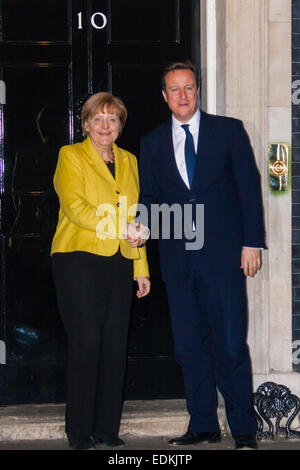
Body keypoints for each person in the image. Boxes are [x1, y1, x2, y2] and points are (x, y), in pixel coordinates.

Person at [138, 61, 265, 450]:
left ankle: (244, 429)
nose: (182, 96)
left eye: (188, 88)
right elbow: (150, 197)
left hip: (225, 259)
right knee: (189, 348)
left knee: (229, 345)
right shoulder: (153, 141)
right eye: (174, 90)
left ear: (198, 90)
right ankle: (204, 425)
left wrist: (252, 243)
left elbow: (248, 187)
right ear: (164, 96)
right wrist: (142, 227)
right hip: (178, 262)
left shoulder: (228, 131)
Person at [51, 92, 150, 450]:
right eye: (98, 119)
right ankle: (79, 432)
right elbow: (75, 207)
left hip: (120, 259)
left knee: (113, 347)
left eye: (112, 119)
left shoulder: (129, 160)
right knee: (86, 343)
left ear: (121, 125)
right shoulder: (70, 155)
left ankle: (107, 429)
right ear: (86, 124)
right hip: (78, 258)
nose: (105, 126)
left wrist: (141, 268)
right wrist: (120, 228)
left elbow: (135, 216)